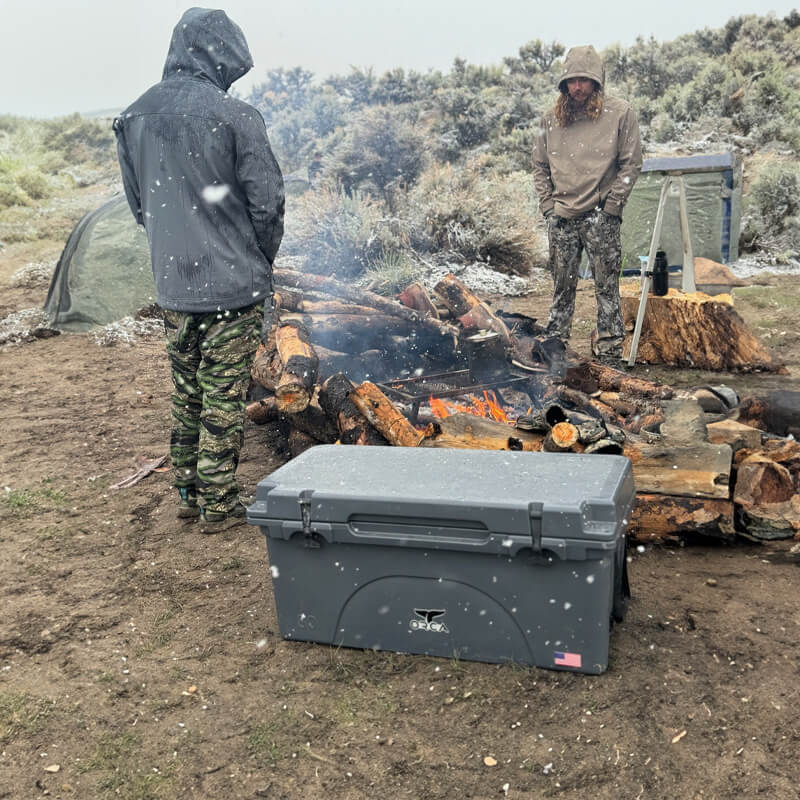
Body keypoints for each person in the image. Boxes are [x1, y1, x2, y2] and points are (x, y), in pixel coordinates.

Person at [114, 8, 285, 532]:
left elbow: (139, 205)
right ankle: (219, 503)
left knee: (187, 391)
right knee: (223, 396)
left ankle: (188, 493)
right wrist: (258, 260)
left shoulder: (133, 116)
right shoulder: (237, 116)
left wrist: (174, 250)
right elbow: (269, 204)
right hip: (232, 288)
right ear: (219, 56)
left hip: (174, 287)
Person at [532, 45, 642, 365]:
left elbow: (631, 164)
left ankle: (609, 353)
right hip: (561, 217)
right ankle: (555, 348)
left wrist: (612, 208)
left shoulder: (620, 113)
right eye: (571, 80)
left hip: (600, 215)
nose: (577, 87)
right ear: (564, 83)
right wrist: (548, 207)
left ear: (597, 82)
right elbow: (539, 166)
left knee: (606, 287)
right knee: (561, 288)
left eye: (584, 79)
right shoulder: (550, 120)